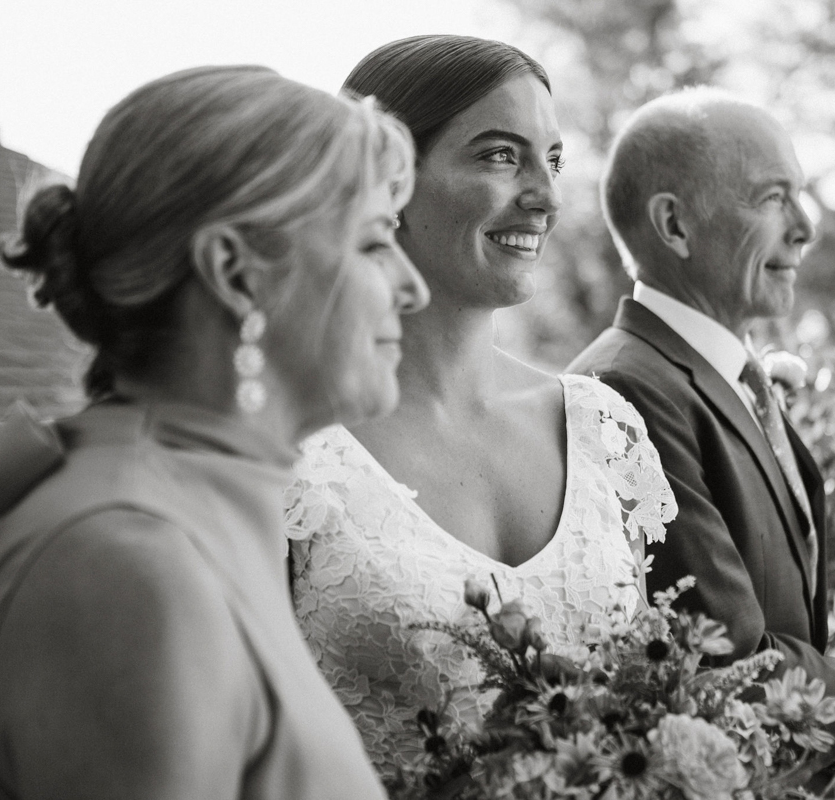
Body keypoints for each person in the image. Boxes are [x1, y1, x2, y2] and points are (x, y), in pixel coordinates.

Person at [0, 65, 428, 800]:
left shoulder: (187, 505)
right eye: (372, 244)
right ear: (237, 276)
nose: (412, 286)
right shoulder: (126, 563)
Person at [284, 35, 677, 770]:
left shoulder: (603, 427)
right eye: (501, 155)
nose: (547, 196)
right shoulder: (291, 446)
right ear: (387, 179)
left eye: (553, 160)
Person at [567, 87, 835, 785]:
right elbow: (720, 662)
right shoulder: (623, 390)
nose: (806, 226)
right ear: (675, 226)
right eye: (773, 198)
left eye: (801, 195)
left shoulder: (723, 379)